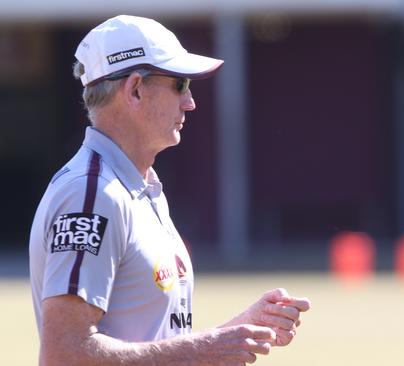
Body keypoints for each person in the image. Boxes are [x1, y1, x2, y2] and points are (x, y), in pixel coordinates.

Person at [29, 15, 310, 365]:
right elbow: (64, 355)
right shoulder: (93, 195)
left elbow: (156, 343)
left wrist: (235, 333)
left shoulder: (137, 187)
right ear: (134, 90)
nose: (190, 101)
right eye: (180, 84)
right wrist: (202, 349)